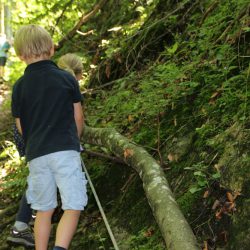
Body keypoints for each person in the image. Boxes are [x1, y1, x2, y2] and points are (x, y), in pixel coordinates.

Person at [11, 24, 88, 250]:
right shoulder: (66, 78)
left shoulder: (19, 87)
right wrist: (76, 139)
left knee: (44, 209)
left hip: (36, 154)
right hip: (65, 149)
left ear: (20, 55)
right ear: (52, 50)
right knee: (73, 205)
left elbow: (21, 126)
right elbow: (78, 117)